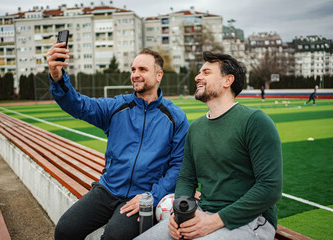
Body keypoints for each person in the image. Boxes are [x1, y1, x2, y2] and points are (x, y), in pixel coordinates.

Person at [46, 44, 189, 240]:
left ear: (159, 75)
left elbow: (178, 167)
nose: (135, 74)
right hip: (108, 189)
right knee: (64, 230)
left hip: (142, 196)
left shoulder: (176, 118)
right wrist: (57, 76)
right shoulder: (116, 107)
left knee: (114, 237)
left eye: (142, 69)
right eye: (133, 69)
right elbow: (77, 104)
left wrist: (152, 197)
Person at [135, 52, 283, 240]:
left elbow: (270, 188)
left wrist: (214, 222)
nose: (197, 77)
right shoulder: (196, 127)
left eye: (206, 72)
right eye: (199, 72)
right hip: (203, 212)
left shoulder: (255, 121)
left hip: (251, 220)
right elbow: (186, 178)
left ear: (227, 80)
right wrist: (179, 214)